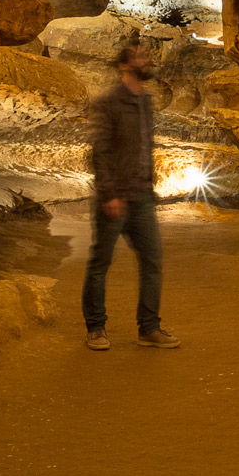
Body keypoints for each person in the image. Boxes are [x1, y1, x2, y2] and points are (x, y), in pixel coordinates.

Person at [82, 43, 181, 350]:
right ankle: (96, 328)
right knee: (101, 263)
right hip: (116, 196)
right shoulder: (109, 101)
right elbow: (100, 150)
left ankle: (149, 328)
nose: (147, 60)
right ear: (124, 65)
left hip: (142, 196)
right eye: (140, 56)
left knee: (153, 261)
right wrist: (109, 193)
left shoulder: (145, 100)